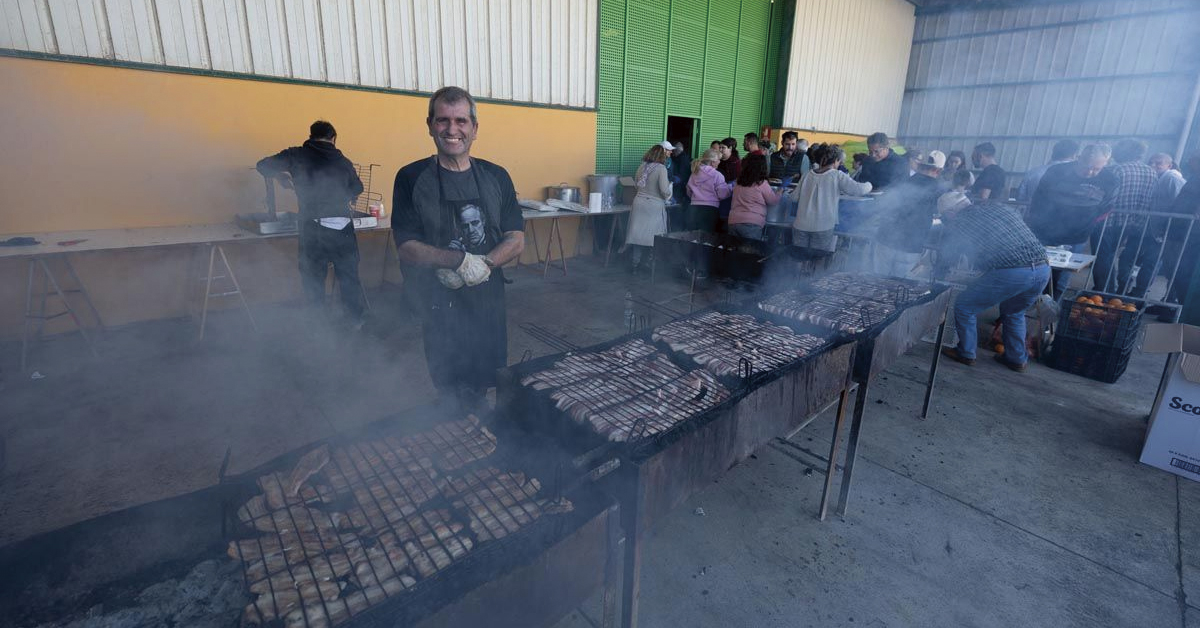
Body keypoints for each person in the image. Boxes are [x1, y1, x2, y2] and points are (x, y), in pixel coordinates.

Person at [391, 87, 525, 410]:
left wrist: (485, 264)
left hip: (488, 301)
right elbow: (406, 247)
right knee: (449, 386)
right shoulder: (411, 177)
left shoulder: (497, 176)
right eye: (443, 120)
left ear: (474, 128)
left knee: (487, 377)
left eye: (461, 121)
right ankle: (454, 416)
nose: (452, 129)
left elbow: (516, 239)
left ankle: (477, 418)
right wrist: (459, 260)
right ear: (430, 125)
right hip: (439, 304)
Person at [256, 120, 366, 329]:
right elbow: (357, 187)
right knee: (349, 277)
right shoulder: (343, 161)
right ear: (333, 138)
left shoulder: (296, 154)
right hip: (344, 229)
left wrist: (280, 176)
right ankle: (355, 321)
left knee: (314, 278)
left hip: (314, 228)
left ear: (311, 136)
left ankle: (318, 326)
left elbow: (262, 165)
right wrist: (344, 195)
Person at [938, 201, 1051, 372]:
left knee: (965, 305)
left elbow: (953, 252)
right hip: (1043, 269)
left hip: (1013, 273)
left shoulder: (961, 220)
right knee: (1014, 311)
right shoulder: (998, 206)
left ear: (951, 211)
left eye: (945, 216)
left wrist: (942, 271)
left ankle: (966, 353)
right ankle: (1016, 359)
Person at [1024, 144, 1117, 298]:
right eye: (1086, 167)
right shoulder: (1057, 171)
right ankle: (1028, 303)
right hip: (1045, 231)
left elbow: (1107, 207)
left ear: (1106, 163)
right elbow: (1039, 199)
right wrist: (1036, 223)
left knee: (1062, 277)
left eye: (1096, 169)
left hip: (1077, 235)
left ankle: (1051, 306)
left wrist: (1088, 223)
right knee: (1036, 271)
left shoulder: (1110, 180)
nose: (1090, 172)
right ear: (1079, 158)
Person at [1092, 138, 1157, 293]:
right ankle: (1115, 288)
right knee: (1118, 256)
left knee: (1102, 256)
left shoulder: (1116, 170)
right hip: (1136, 222)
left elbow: (1102, 196)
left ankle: (1104, 291)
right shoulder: (1151, 172)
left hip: (1109, 221)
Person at [874, 150, 947, 277]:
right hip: (910, 246)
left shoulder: (903, 181)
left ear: (920, 166)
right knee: (900, 286)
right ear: (939, 170)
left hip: (885, 239)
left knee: (876, 281)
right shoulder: (940, 190)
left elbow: (885, 205)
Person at [791, 144, 872, 256]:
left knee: (799, 257)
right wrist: (869, 185)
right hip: (823, 227)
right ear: (836, 160)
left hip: (800, 225)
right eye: (839, 162)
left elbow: (794, 197)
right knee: (817, 259)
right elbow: (858, 190)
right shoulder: (837, 175)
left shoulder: (807, 174)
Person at [1136, 153, 1189, 297]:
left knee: (1160, 264)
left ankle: (1141, 294)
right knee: (1151, 262)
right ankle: (1139, 293)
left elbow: (1179, 204)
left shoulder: (1172, 179)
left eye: (1158, 163)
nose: (1153, 166)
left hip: (1167, 231)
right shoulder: (1157, 178)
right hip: (1157, 229)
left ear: (1169, 165)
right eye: (1151, 162)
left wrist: (1167, 226)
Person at [624, 144, 673, 273]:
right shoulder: (661, 169)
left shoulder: (642, 166)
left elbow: (636, 185)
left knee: (638, 236)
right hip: (653, 206)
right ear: (662, 156)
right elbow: (664, 190)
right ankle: (649, 264)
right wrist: (669, 193)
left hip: (639, 203)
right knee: (653, 237)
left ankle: (634, 265)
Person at [726, 154, 779, 241]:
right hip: (752, 224)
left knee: (734, 248)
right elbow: (773, 201)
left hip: (733, 222)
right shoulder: (761, 183)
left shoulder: (738, 182)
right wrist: (780, 191)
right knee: (750, 249)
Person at [686, 148, 732, 233]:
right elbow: (722, 194)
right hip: (710, 210)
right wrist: (730, 187)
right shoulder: (717, 175)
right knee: (708, 238)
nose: (719, 162)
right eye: (718, 160)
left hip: (693, 209)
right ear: (712, 162)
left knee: (693, 237)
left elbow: (688, 191)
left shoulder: (694, 173)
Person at [668, 141, 692, 230]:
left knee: (677, 210)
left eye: (673, 151)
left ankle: (676, 228)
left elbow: (683, 175)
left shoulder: (683, 159)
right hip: (679, 187)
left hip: (680, 189)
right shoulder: (681, 158)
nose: (672, 153)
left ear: (676, 151)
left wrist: (675, 179)